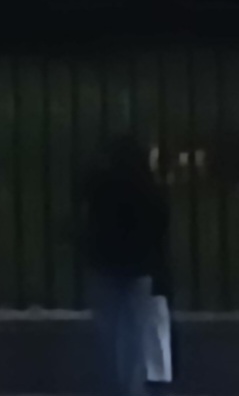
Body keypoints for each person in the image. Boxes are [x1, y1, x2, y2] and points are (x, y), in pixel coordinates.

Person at [77, 137, 168, 396]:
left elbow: (87, 215)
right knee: (136, 336)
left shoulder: (101, 183)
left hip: (105, 265)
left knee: (109, 335)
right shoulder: (148, 186)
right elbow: (160, 224)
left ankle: (111, 385)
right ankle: (132, 388)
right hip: (139, 267)